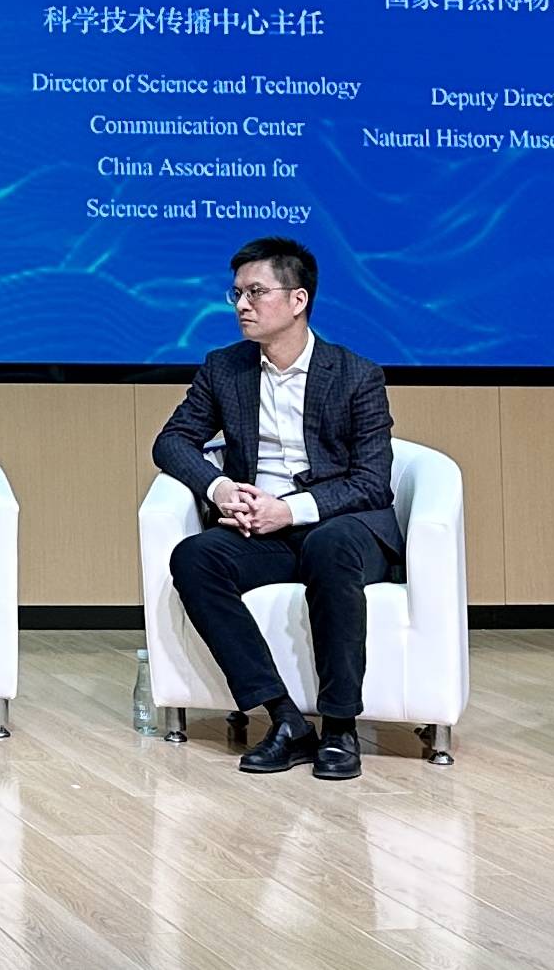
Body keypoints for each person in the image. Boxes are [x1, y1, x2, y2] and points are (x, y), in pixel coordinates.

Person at [150, 236, 402, 781]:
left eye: (256, 292)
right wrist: (220, 489)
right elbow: (171, 442)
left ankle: (340, 726)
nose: (241, 305)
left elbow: (371, 483)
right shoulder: (225, 368)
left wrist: (290, 510)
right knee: (195, 557)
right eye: (237, 293)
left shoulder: (356, 375)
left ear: (297, 300)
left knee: (331, 547)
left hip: (341, 528)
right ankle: (284, 718)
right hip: (260, 532)